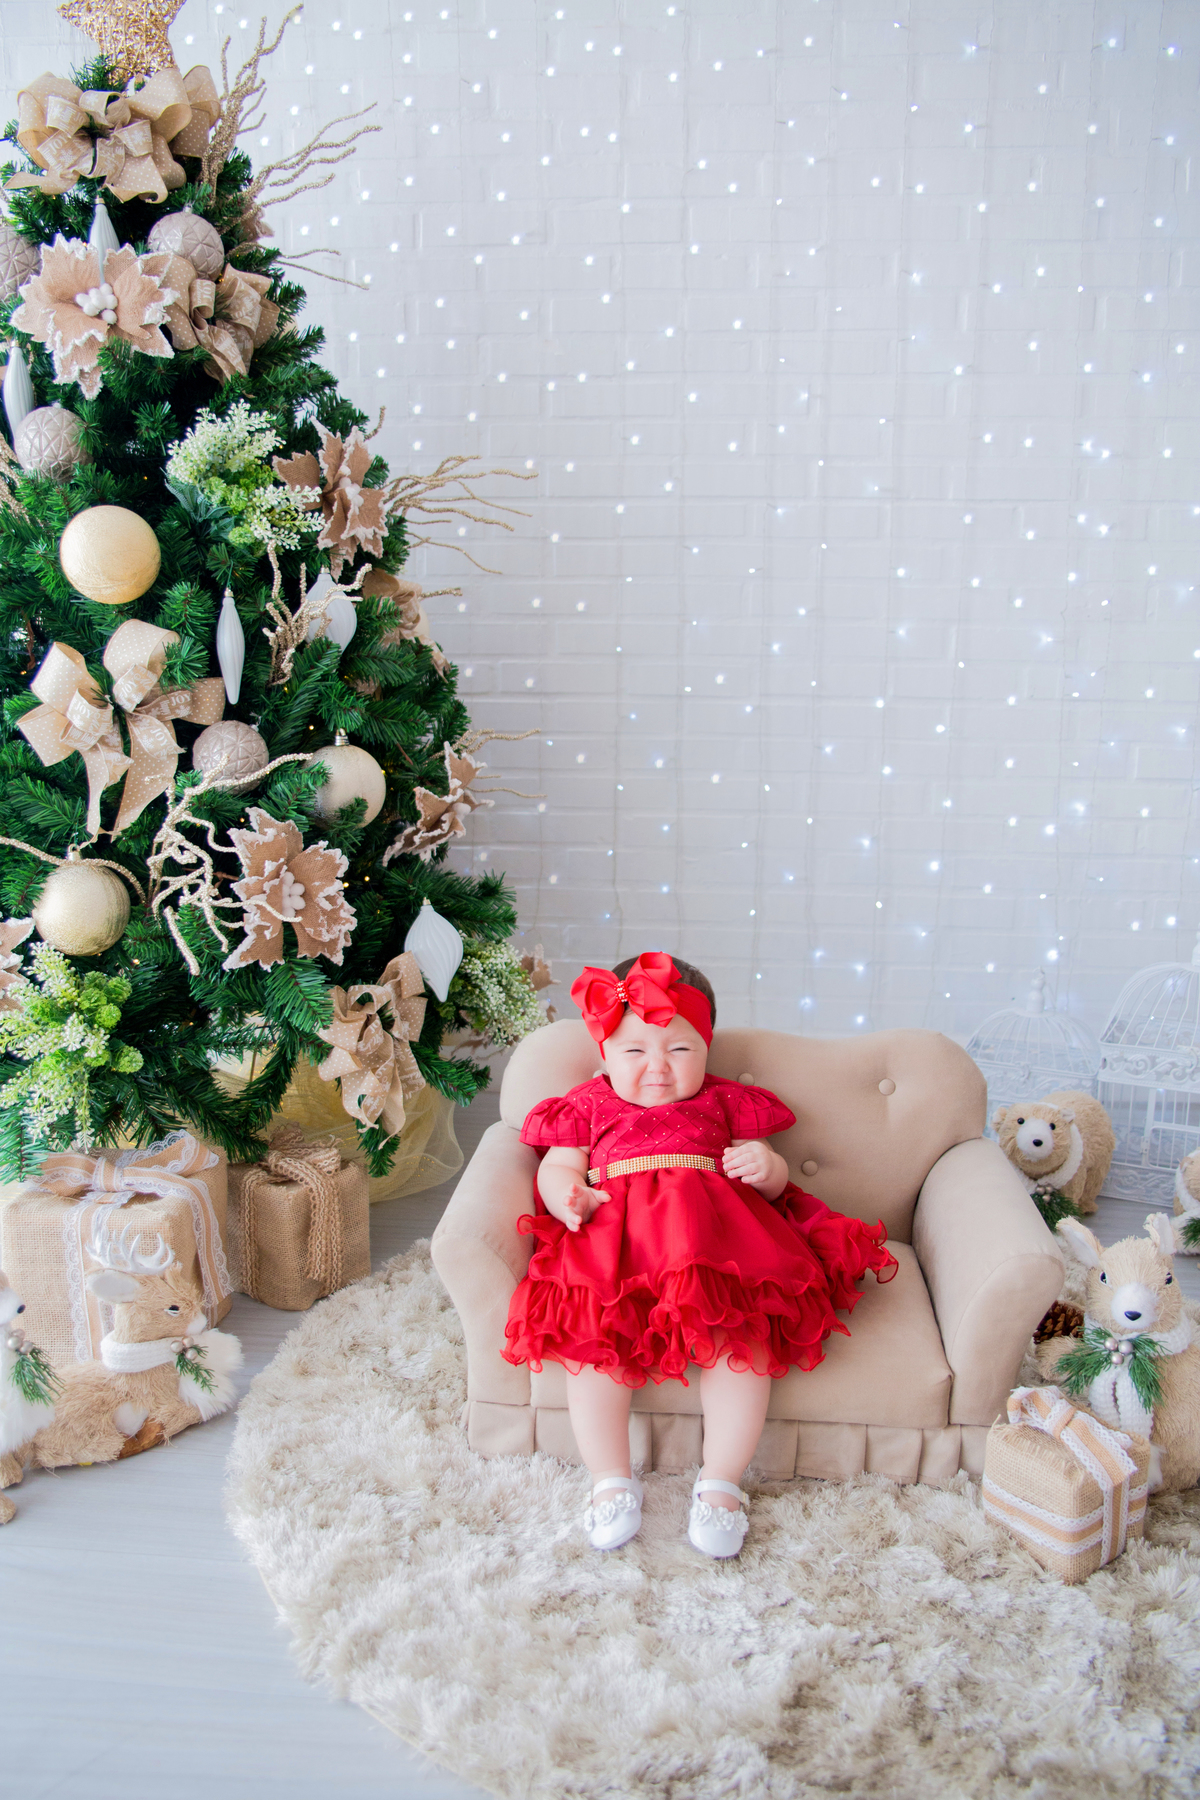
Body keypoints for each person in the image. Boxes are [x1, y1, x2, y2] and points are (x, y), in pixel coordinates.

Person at [502, 951, 897, 1557]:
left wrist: (767, 1167)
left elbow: (771, 1181)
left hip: (720, 1253)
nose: (657, 1068)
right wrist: (565, 1196)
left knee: (742, 1351)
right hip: (615, 1251)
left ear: (707, 1049)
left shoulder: (725, 1103)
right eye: (635, 1051)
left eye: (679, 1051)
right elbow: (558, 1166)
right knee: (596, 1355)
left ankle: (722, 1484)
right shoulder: (586, 1105)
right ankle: (609, 1478)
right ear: (603, 1051)